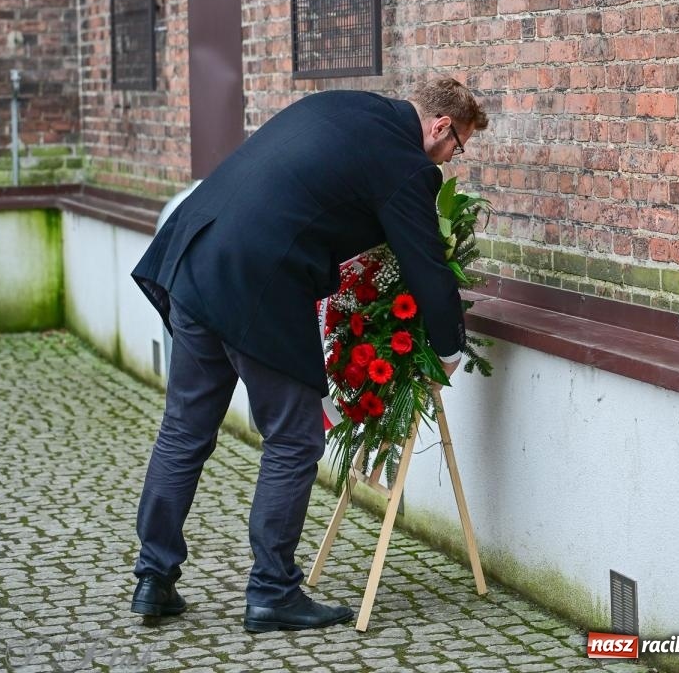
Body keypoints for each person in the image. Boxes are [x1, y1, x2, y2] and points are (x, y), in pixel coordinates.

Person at [130, 78, 488, 632]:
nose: (451, 158)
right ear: (440, 127)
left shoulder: (343, 103)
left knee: (184, 428)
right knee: (295, 438)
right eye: (457, 145)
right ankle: (272, 591)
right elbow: (426, 267)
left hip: (195, 256)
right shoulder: (406, 161)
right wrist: (447, 351)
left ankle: (153, 578)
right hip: (258, 281)